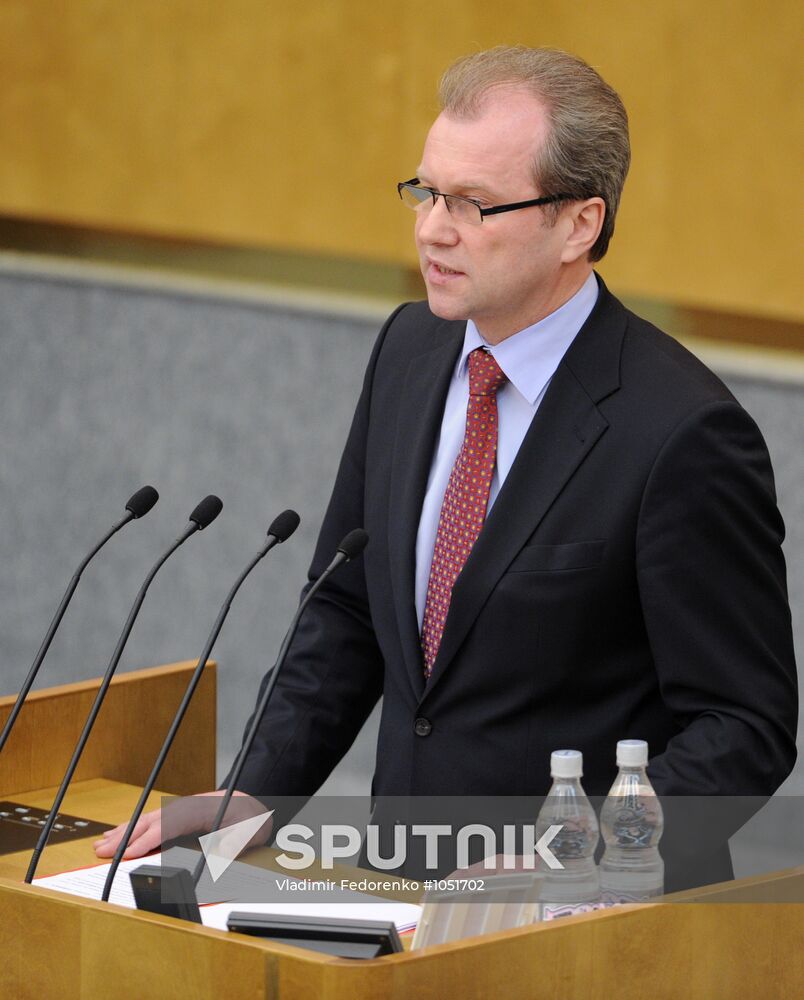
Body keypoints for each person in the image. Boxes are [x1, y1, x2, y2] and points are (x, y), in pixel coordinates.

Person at [97, 46, 797, 888]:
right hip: (409, 891)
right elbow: (347, 609)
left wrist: (581, 859)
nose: (433, 227)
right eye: (428, 191)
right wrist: (255, 788)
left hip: (590, 933)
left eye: (475, 203)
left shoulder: (683, 432)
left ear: (580, 223)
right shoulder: (410, 348)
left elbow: (742, 723)